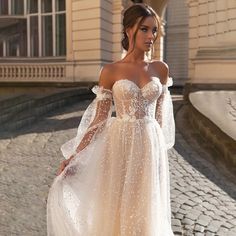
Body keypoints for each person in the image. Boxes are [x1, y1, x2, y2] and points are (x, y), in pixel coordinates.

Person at [47, 3, 175, 236]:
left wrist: (158, 156)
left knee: (145, 208)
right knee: (116, 206)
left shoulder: (161, 69)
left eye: (154, 30)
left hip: (149, 146)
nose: (151, 36)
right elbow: (98, 119)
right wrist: (75, 156)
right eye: (144, 29)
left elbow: (160, 120)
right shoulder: (111, 71)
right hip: (120, 146)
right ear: (129, 30)